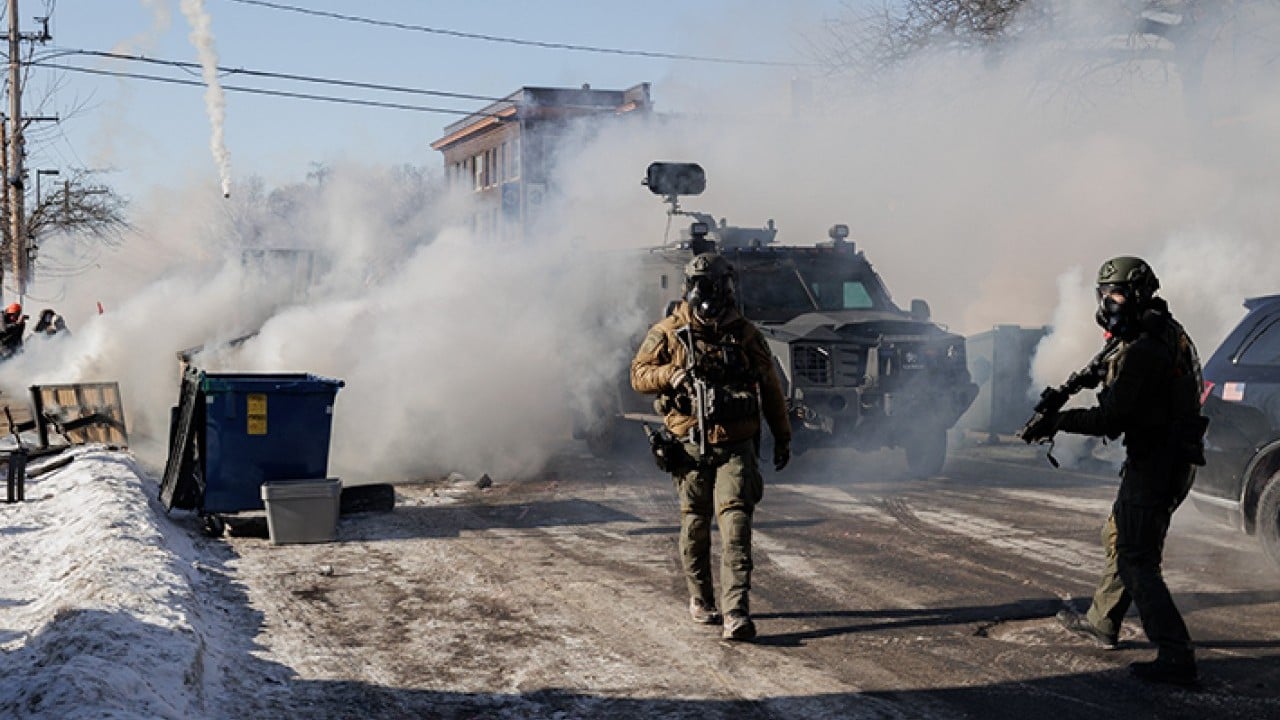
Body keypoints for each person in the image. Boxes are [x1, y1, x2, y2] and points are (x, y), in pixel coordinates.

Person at [1022, 256, 1207, 686]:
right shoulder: (1162, 329)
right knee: (1119, 536)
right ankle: (1103, 621)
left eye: (1116, 294)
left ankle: (1176, 655)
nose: (1108, 302)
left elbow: (1110, 419)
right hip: (1168, 458)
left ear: (1138, 294)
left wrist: (1057, 421)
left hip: (1157, 463)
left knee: (1137, 559)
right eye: (1104, 294)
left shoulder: (1145, 349)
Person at [631, 252, 792, 642]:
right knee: (696, 525)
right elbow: (638, 375)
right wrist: (673, 374)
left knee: (736, 524)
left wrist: (782, 434)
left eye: (716, 283)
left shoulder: (746, 334)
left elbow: (771, 386)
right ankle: (701, 599)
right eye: (701, 284)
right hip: (689, 444)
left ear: (728, 287)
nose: (709, 292)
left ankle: (736, 611)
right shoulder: (669, 332)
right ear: (688, 287)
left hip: (736, 443)